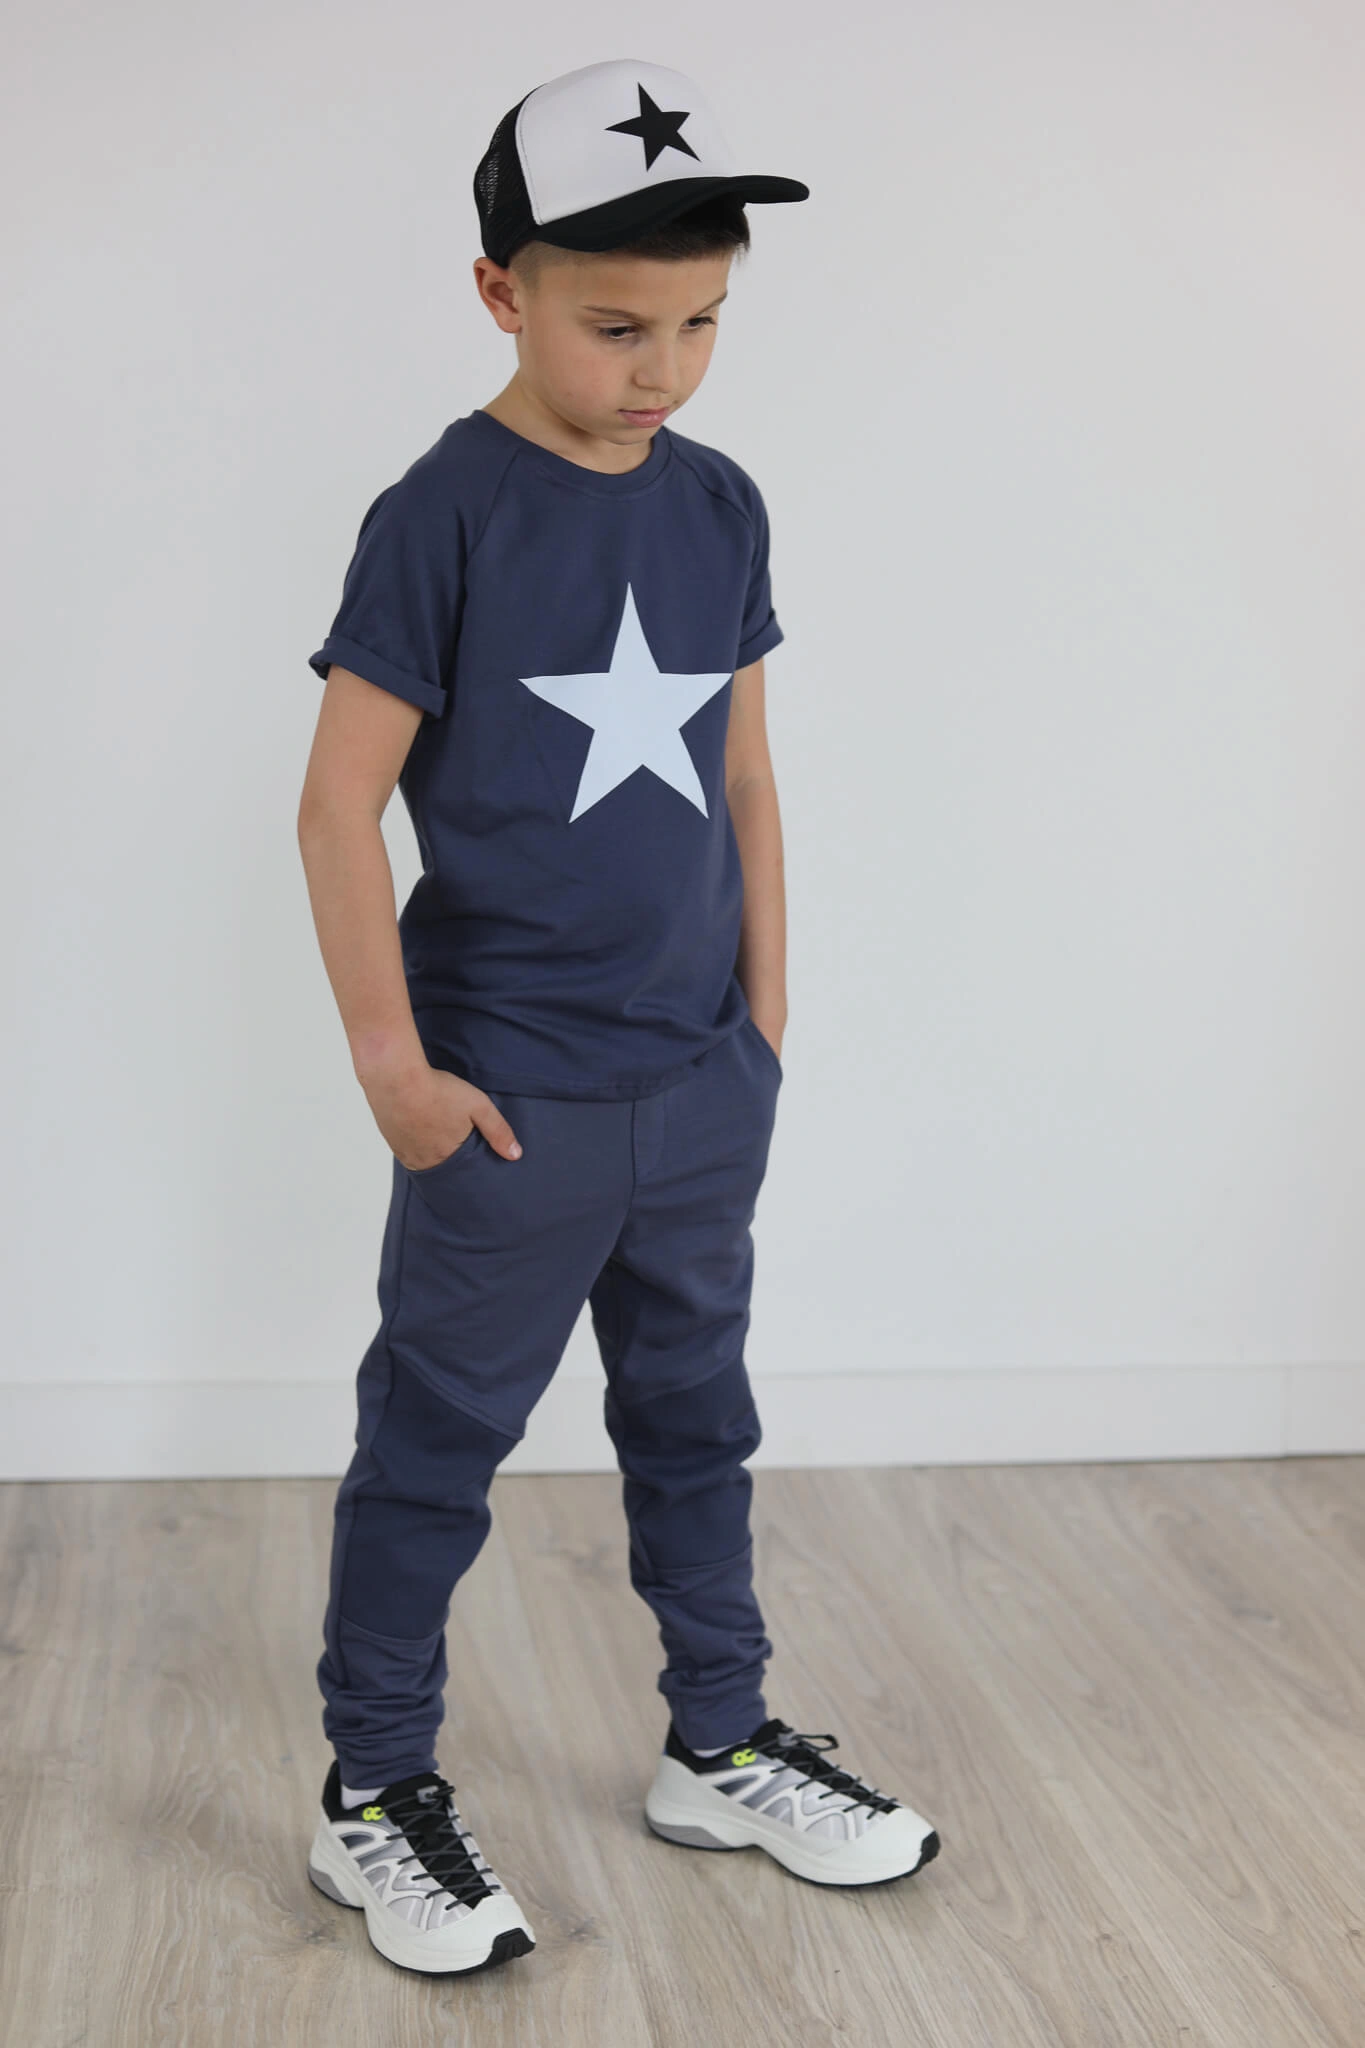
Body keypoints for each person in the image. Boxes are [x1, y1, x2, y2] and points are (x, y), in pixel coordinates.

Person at [295, 56, 939, 1979]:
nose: (665, 369)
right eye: (618, 327)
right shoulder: (443, 513)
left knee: (694, 1420)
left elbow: (746, 770)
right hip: (509, 1098)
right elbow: (336, 806)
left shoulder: (721, 505)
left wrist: (765, 1014)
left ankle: (718, 1744)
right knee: (435, 1446)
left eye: (704, 323)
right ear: (502, 292)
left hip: (697, 1084)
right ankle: (369, 1788)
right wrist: (396, 1070)